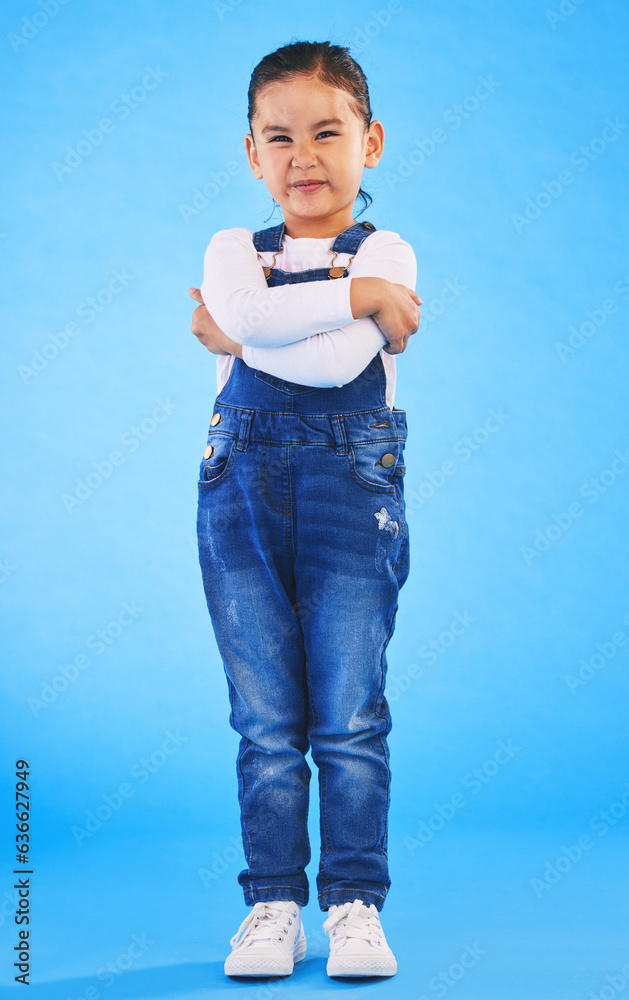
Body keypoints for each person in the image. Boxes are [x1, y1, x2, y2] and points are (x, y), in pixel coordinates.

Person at [188, 39, 421, 980]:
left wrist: (237, 331)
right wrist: (352, 299)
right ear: (252, 153)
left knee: (349, 716)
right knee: (264, 720)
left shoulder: (390, 250)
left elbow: (329, 365)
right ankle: (273, 904)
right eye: (278, 138)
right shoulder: (229, 249)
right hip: (237, 492)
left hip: (349, 494)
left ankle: (355, 905)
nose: (303, 157)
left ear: (369, 141)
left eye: (327, 133)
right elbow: (297, 328)